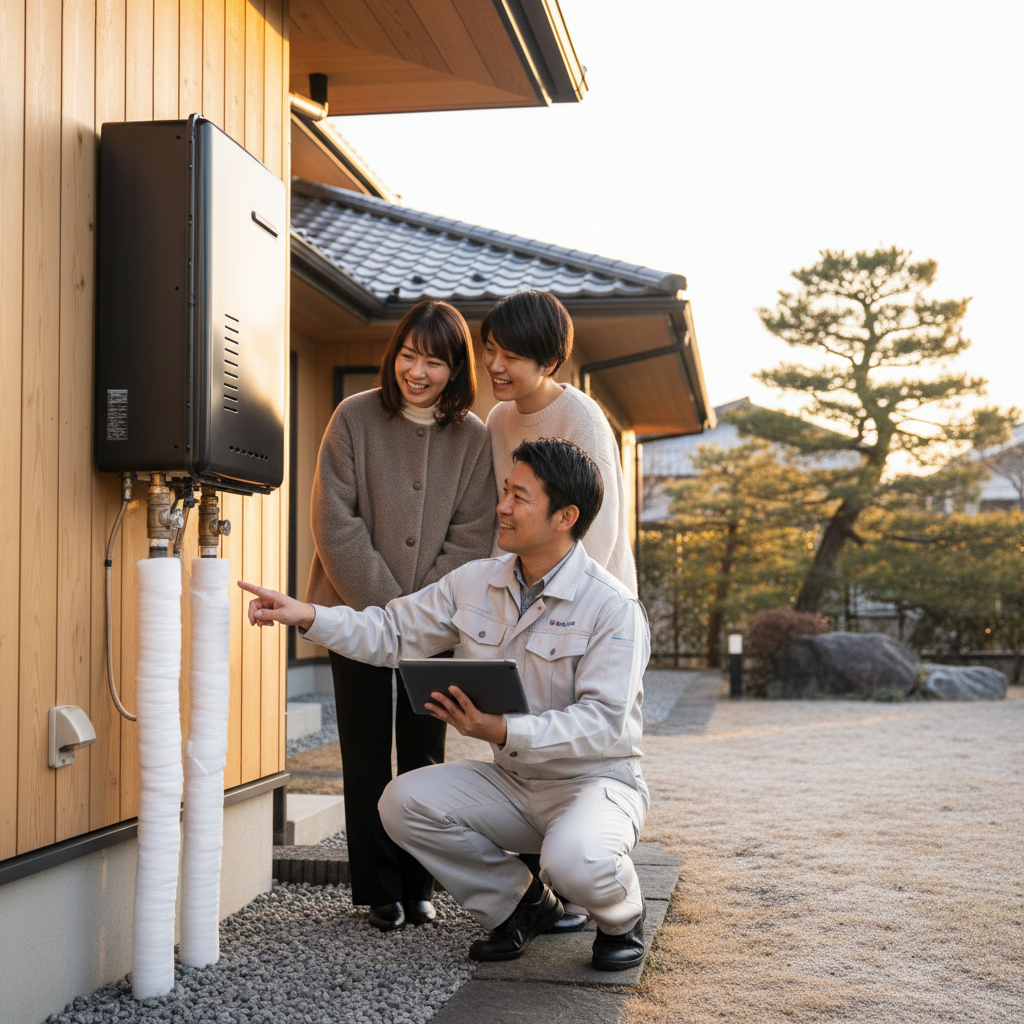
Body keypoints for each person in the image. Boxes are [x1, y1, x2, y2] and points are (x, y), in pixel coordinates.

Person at [243, 438, 650, 972]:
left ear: (564, 517)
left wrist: (502, 729)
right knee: (401, 801)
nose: (501, 506)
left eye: (519, 497)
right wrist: (310, 616)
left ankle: (623, 917)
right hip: (515, 783)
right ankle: (520, 906)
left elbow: (603, 724)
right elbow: (390, 631)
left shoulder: (612, 607)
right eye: (505, 491)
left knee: (575, 860)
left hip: (594, 784)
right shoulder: (475, 582)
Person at [304, 300, 495, 932]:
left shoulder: (475, 438)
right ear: (394, 356)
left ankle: (419, 884)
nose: (417, 371)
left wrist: (420, 616)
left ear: (454, 368)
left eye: (434, 361)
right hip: (352, 615)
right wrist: (388, 610)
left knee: (424, 751)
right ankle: (377, 888)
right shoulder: (354, 416)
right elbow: (335, 521)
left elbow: (472, 537)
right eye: (409, 355)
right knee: (363, 751)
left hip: (435, 629)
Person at [482, 289, 637, 595]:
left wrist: (548, 602)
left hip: (589, 604)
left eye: (511, 357)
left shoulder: (583, 419)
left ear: (550, 364)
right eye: (490, 349)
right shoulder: (498, 419)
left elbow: (597, 536)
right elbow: (501, 516)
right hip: (518, 598)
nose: (495, 365)